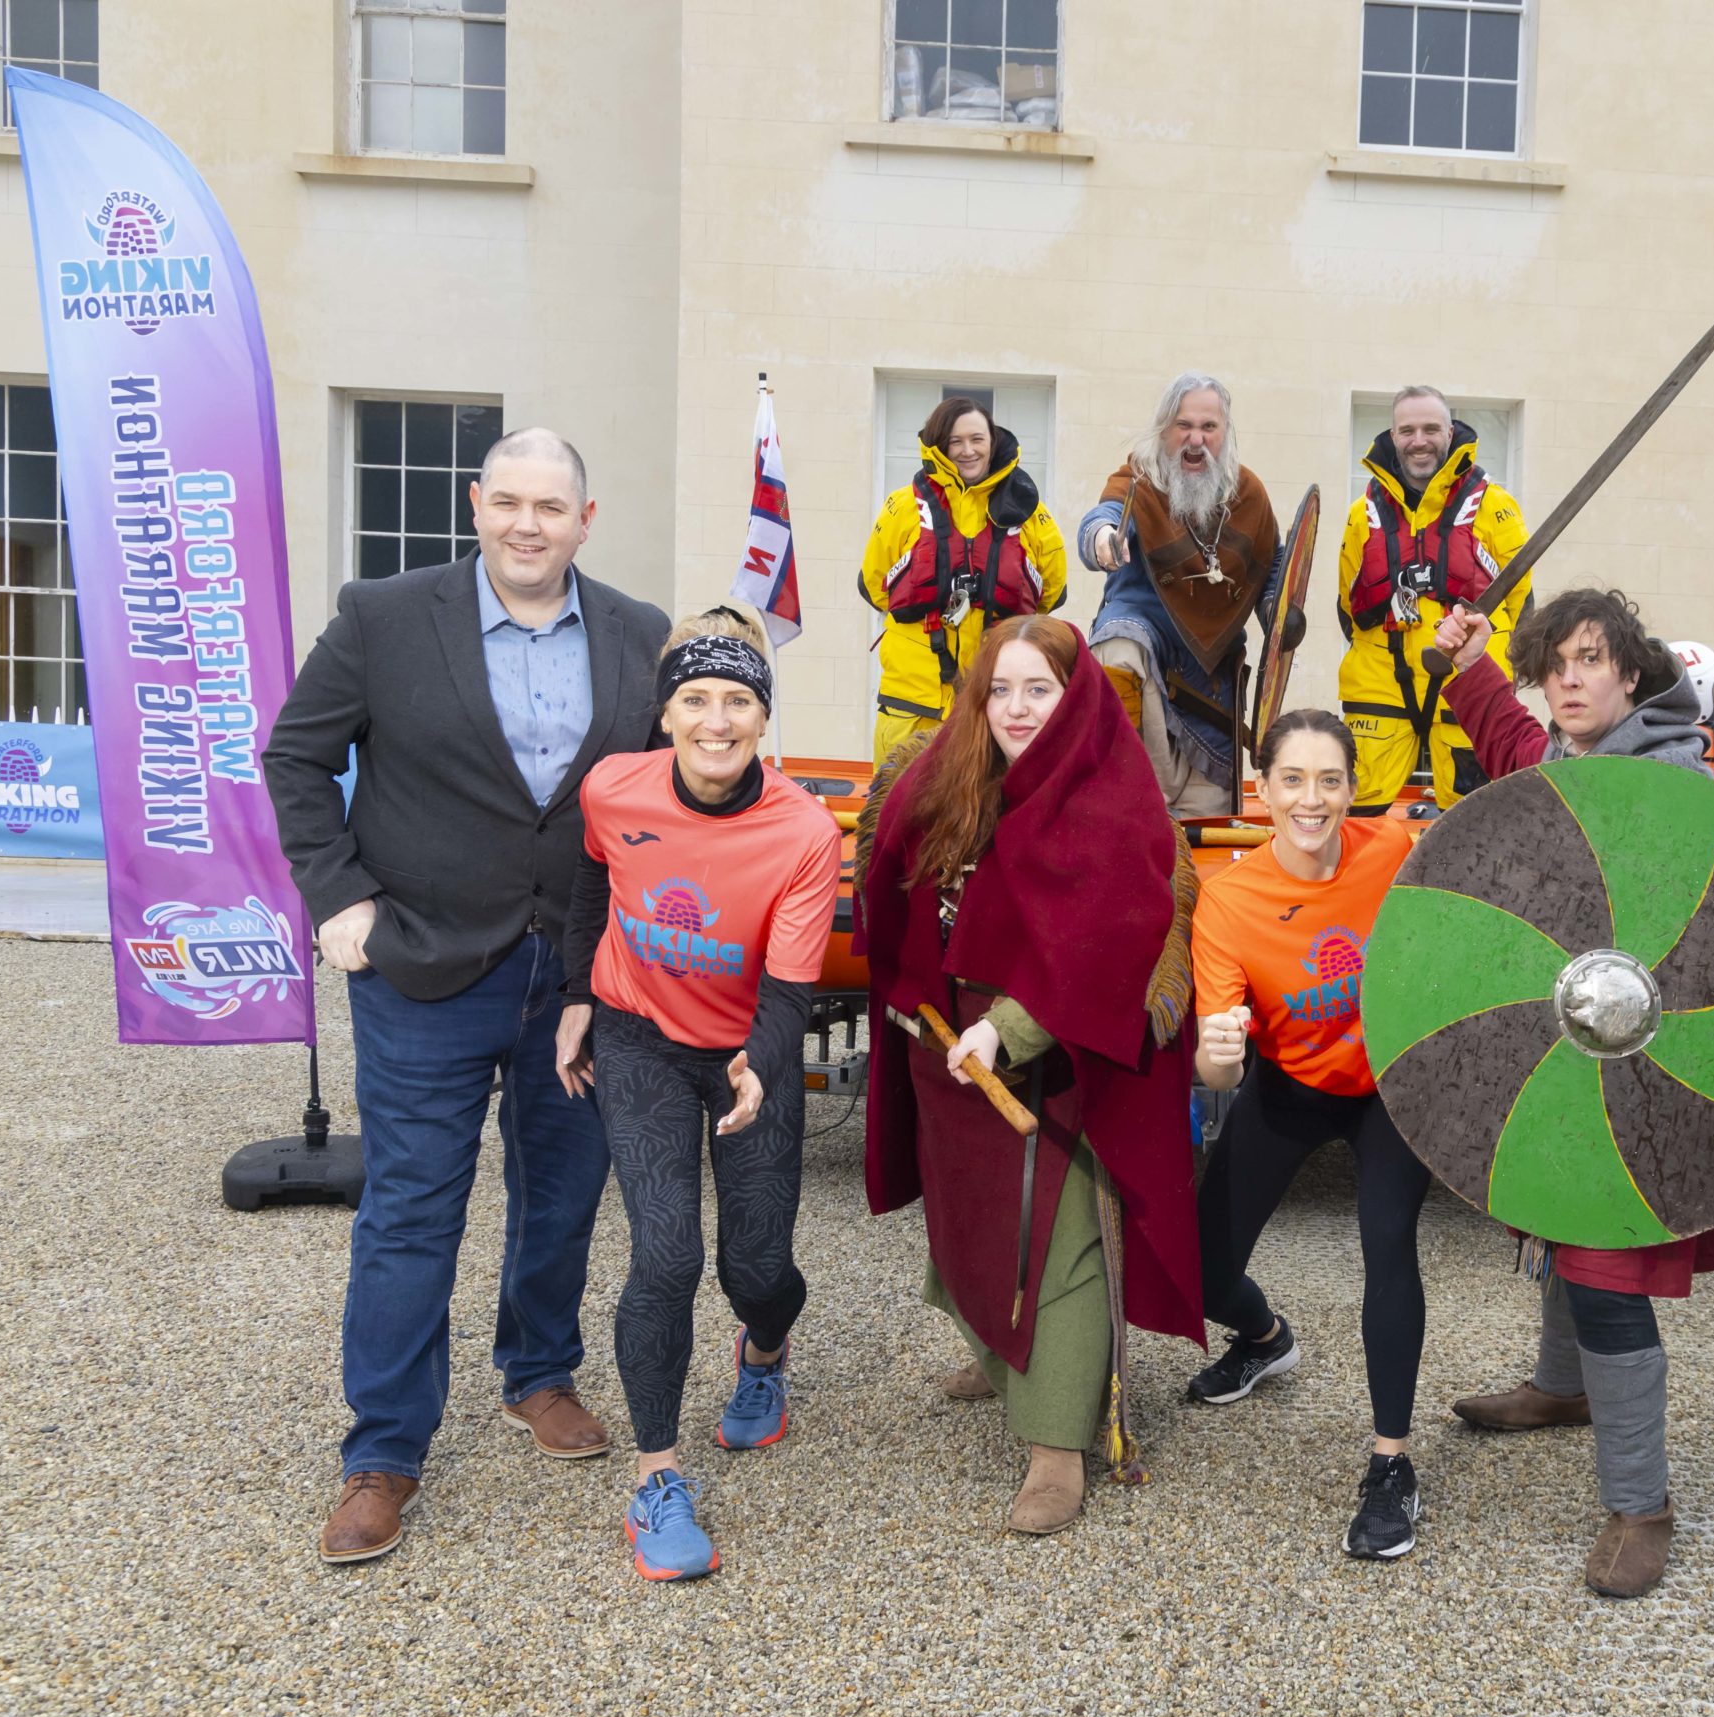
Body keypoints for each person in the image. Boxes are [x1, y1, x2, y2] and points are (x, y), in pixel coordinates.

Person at [263, 429, 671, 1565]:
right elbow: (296, 756)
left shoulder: (640, 635)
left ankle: (537, 1372)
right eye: (509, 502)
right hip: (423, 966)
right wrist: (337, 897)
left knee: (563, 1191)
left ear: (588, 518)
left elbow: (662, 793)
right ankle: (384, 1450)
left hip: (580, 979)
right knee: (411, 1210)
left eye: (553, 506)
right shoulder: (385, 616)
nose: (528, 524)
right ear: (475, 504)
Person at [857, 614, 1206, 1534]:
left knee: (1057, 1246)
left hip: (1060, 1053)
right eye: (1000, 688)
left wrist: (1009, 1029)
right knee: (967, 1217)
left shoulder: (1110, 789)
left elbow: (1112, 937)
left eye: (1038, 689)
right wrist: (910, 988)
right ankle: (999, 1345)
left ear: (1076, 693)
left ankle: (1057, 1449)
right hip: (945, 1041)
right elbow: (895, 875)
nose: (1016, 709)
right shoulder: (950, 772)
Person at [1430, 587, 1714, 1598]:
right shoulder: (1571, 760)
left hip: (1646, 1054)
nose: (1569, 676)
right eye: (1555, 660)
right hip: (1568, 1035)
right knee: (1555, 1215)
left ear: (1631, 673)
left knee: (1607, 1272)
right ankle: (1562, 1389)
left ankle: (1641, 1503)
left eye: (1591, 658)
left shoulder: (1669, 776)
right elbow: (1515, 748)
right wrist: (1466, 664)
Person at [553, 606, 840, 1580]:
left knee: (755, 1268)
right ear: (666, 713)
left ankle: (764, 1351)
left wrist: (761, 1063)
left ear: (762, 716)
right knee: (667, 1255)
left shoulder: (802, 830)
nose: (715, 720)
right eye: (695, 699)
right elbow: (594, 883)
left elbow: (791, 986)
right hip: (638, 1036)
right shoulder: (612, 788)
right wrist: (578, 997)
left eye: (736, 700)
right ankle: (657, 1478)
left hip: (744, 1044)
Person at [1188, 711, 1434, 1560]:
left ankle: (1391, 1464)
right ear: (1262, 789)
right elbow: (1219, 1071)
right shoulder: (1229, 897)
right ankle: (1264, 1339)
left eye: (1330, 780)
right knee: (1202, 1274)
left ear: (1354, 788)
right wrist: (1214, 1058)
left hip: (1388, 1093)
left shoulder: (1396, 850)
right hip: (1289, 1085)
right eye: (1292, 778)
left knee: (1388, 1241)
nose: (1311, 798)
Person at [1079, 372, 1289, 818]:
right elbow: (1107, 515)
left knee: (1206, 853)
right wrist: (1102, 539)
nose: (1196, 439)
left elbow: (1275, 563)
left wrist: (1276, 610)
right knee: (1119, 642)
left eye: (1208, 427)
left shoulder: (1248, 493)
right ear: (1164, 429)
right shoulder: (1139, 476)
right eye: (1183, 425)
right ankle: (1117, 776)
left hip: (1208, 703)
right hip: (1147, 675)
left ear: (1224, 433)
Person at [1335, 387, 1532, 813]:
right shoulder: (1361, 514)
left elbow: (1522, 608)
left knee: (1476, 817)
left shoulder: (1496, 507)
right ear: (1393, 434)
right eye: (1407, 430)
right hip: (1381, 682)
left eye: (1430, 429)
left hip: (1468, 680)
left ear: (1449, 431)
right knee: (1356, 815)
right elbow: (1348, 609)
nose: (1419, 440)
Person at [858, 396, 1068, 759]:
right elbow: (875, 585)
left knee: (994, 811)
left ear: (993, 442)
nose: (967, 450)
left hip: (996, 708)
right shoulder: (902, 507)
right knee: (898, 810)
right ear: (940, 445)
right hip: (912, 706)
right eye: (956, 441)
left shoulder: (1030, 514)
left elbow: (1050, 594)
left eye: (977, 439)